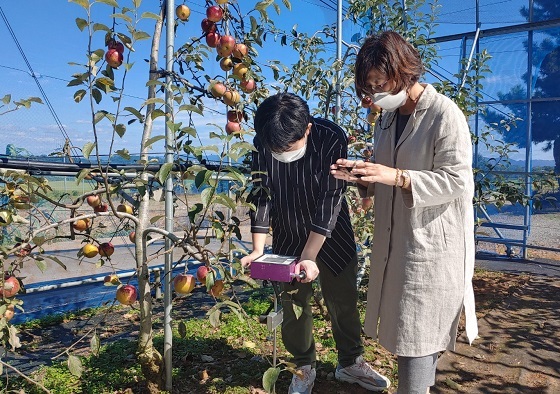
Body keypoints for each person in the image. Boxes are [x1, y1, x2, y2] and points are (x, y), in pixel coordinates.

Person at [331, 31, 478, 393]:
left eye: (380, 84)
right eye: (369, 86)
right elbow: (388, 174)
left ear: (405, 72)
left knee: (418, 338)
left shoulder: (445, 115)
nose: (374, 94)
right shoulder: (387, 119)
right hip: (397, 242)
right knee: (406, 333)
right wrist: (362, 178)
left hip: (430, 246)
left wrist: (395, 176)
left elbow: (456, 180)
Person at [241, 92, 391, 394]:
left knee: (344, 300)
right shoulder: (263, 142)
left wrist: (309, 256)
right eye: (275, 147)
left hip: (332, 233)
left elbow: (330, 199)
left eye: (288, 146)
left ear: (307, 129)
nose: (281, 151)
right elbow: (261, 193)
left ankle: (350, 363)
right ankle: (303, 365)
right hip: (288, 232)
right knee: (294, 305)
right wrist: (258, 248)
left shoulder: (329, 137)